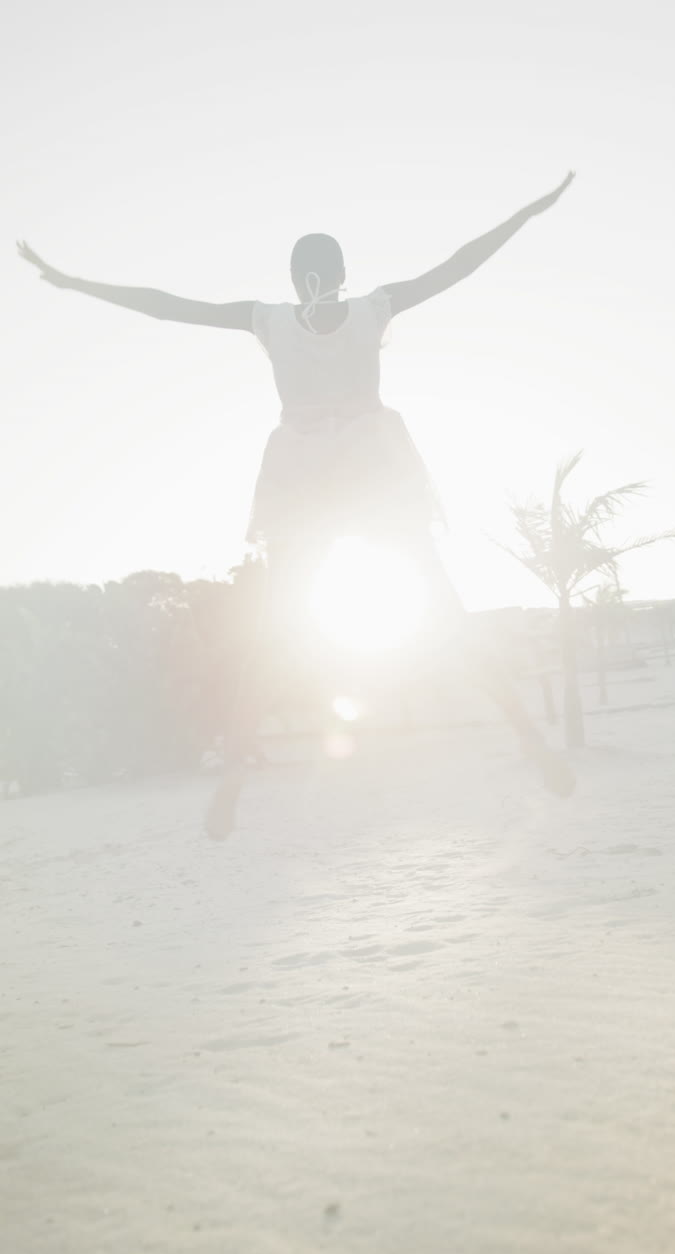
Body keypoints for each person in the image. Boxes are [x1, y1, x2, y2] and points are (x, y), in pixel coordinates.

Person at [18, 170, 576, 838]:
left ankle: (233, 776)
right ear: (342, 272)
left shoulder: (273, 320)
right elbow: (458, 264)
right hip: (371, 474)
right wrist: (527, 213)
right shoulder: (373, 308)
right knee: (442, 608)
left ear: (296, 277)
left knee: (280, 631)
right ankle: (528, 738)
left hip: (309, 481)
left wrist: (75, 282)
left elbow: (165, 304)